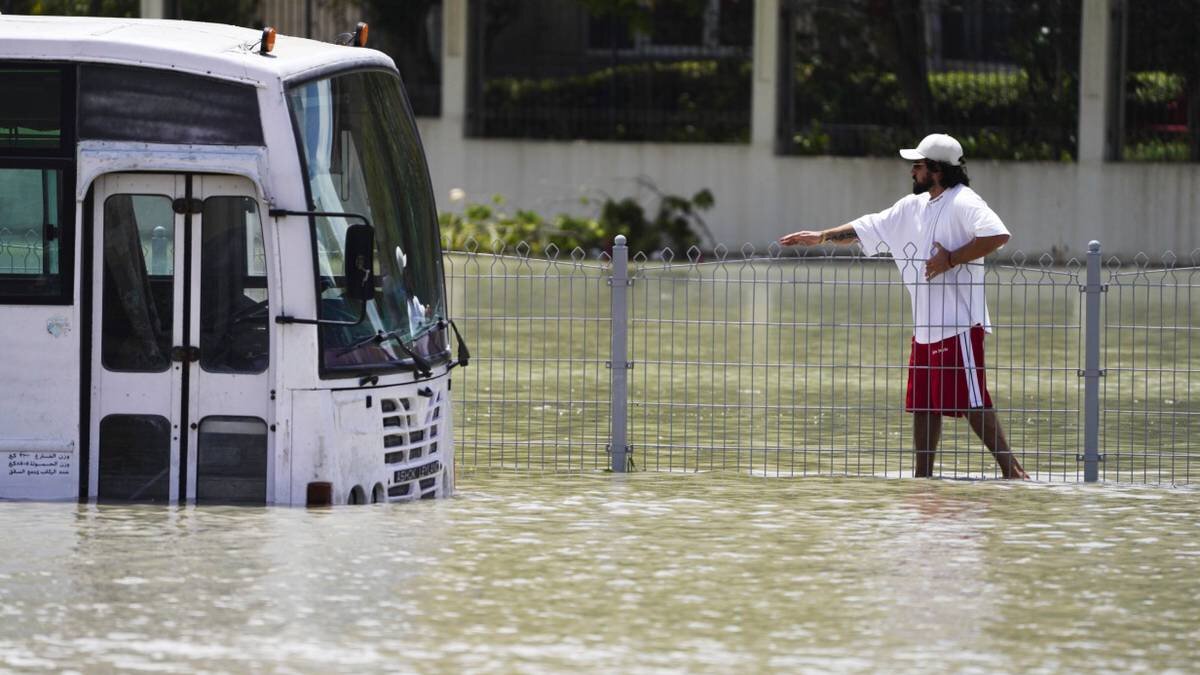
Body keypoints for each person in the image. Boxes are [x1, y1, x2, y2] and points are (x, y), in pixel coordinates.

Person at [779, 133, 1028, 479]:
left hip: (959, 324)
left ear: (937, 170)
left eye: (918, 165)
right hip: (925, 329)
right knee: (924, 405)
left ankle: (1013, 473)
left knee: (972, 402)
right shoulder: (912, 207)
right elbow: (868, 227)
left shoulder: (964, 201)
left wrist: (951, 259)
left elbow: (998, 235)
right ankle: (922, 480)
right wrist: (821, 236)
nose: (912, 171)